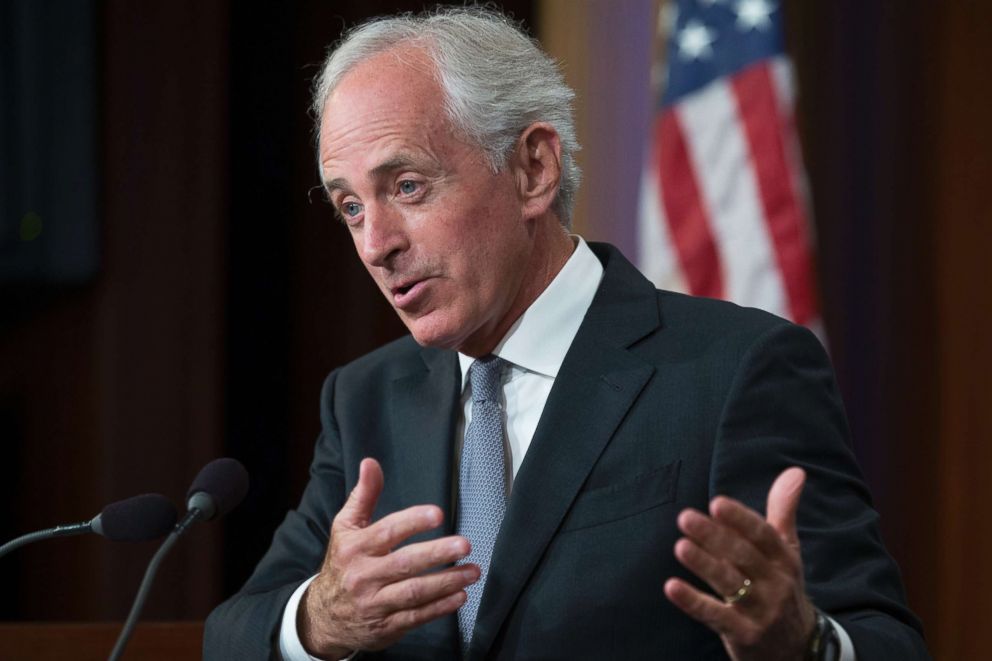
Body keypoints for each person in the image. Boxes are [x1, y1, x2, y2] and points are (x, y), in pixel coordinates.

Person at [204, 8, 928, 660]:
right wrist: (319, 619)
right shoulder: (364, 399)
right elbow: (235, 630)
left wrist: (803, 641)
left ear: (532, 168)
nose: (376, 243)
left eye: (407, 187)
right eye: (351, 207)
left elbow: (886, 639)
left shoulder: (738, 370)